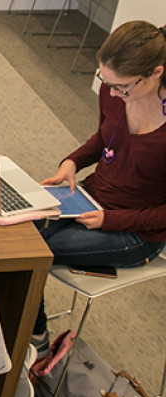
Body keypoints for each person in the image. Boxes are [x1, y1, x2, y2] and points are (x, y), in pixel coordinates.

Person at [31, 20, 166, 353]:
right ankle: (13, 327)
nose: (112, 93)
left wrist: (110, 220)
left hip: (134, 232)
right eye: (104, 81)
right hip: (89, 199)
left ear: (155, 73)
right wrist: (72, 162)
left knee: (28, 255)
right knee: (12, 233)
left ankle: (35, 339)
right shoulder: (113, 90)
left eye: (121, 87)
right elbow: (105, 136)